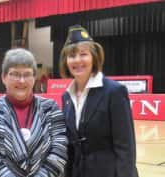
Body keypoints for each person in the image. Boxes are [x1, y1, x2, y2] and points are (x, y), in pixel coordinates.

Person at [59, 24, 138, 177]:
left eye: (83, 54)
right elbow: (70, 147)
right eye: (72, 56)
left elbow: (125, 148)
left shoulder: (114, 92)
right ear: (66, 61)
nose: (77, 60)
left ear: (94, 57)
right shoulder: (66, 97)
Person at [0, 48, 68, 177]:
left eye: (27, 74)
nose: (22, 80)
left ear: (34, 77)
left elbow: (60, 148)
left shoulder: (51, 109)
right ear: (3, 77)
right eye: (15, 74)